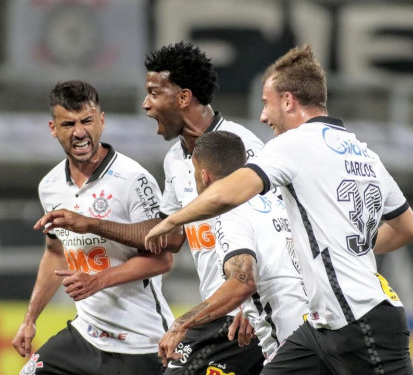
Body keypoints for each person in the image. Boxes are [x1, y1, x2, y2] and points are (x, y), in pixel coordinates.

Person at [144, 44, 413, 375]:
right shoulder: (363, 153)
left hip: (359, 318)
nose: (263, 117)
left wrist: (172, 220)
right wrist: (345, 248)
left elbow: (228, 194)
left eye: (266, 103)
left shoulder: (294, 144)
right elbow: (408, 229)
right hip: (319, 326)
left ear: (288, 101)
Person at [34, 42, 265, 374]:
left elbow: (277, 228)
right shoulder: (175, 160)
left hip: (249, 313)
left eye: (154, 94)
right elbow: (167, 237)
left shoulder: (241, 149)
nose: (146, 104)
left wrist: (250, 302)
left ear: (183, 98)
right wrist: (91, 224)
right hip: (219, 312)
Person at [14, 80, 174, 375]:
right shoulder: (50, 186)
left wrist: (96, 281)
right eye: (68, 124)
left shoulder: (134, 180)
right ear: (53, 128)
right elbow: (56, 253)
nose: (79, 132)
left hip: (140, 342)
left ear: (101, 121)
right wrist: (30, 319)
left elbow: (162, 259)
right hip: (84, 336)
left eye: (86, 121)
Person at [157, 130, 309, 366]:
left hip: (287, 340)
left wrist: (181, 323)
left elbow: (243, 281)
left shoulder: (230, 212)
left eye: (194, 171)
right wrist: (246, 309)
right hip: (312, 327)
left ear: (204, 175)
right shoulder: (273, 202)